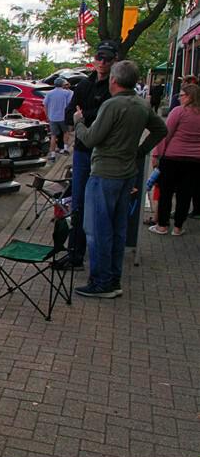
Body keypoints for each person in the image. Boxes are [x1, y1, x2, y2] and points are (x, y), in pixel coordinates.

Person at [72, 60, 167, 298]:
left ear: (114, 80)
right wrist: (140, 150)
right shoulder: (141, 104)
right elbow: (160, 130)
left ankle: (101, 282)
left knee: (97, 230)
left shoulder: (112, 106)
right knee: (117, 229)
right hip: (126, 173)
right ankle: (113, 279)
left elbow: (91, 139)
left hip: (105, 173)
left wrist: (79, 123)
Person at [57, 39, 120, 272]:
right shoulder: (84, 85)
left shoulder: (116, 87)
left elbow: (107, 116)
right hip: (83, 152)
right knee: (79, 203)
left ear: (115, 61)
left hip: (105, 155)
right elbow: (69, 113)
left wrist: (83, 116)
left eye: (107, 58)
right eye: (99, 57)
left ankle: (103, 263)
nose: (102, 62)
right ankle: (75, 254)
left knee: (102, 208)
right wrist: (82, 117)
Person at [149, 83, 200, 236]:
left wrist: (157, 154)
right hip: (195, 160)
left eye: (182, 95)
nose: (179, 98)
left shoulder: (178, 112)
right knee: (185, 194)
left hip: (172, 157)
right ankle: (178, 227)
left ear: (190, 97)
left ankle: (162, 225)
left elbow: (166, 134)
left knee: (166, 192)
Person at [43, 77, 73, 160]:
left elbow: (45, 105)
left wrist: (47, 116)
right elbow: (69, 104)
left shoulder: (49, 93)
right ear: (62, 84)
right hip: (63, 116)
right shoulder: (66, 93)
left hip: (52, 117)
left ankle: (52, 154)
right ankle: (65, 148)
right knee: (66, 132)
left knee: (53, 136)